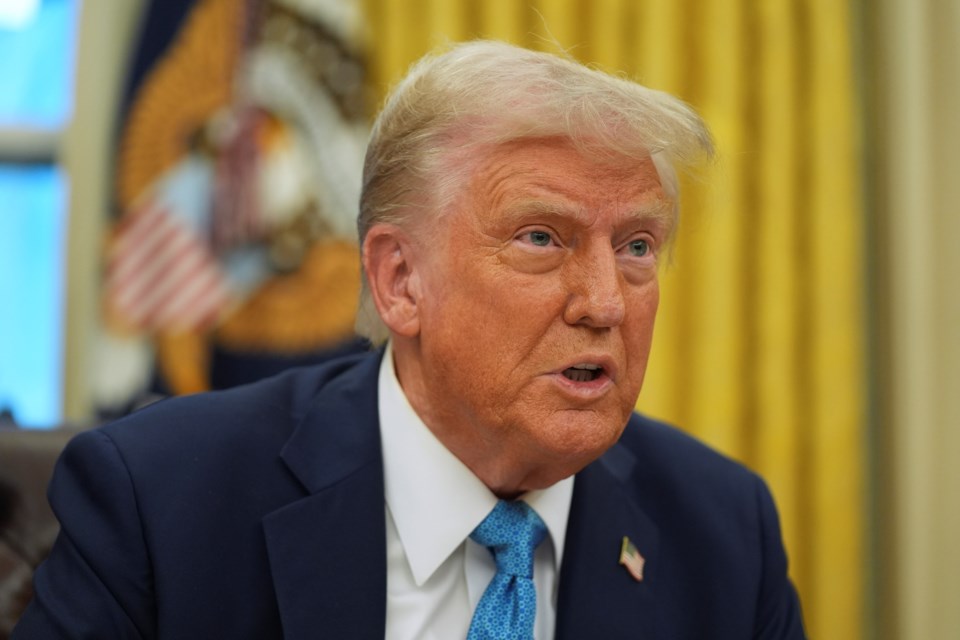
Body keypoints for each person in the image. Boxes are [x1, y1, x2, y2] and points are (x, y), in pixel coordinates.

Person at [14, 40, 805, 639]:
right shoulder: (162, 501)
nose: (605, 303)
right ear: (399, 281)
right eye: (540, 238)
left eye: (636, 247)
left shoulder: (726, 534)